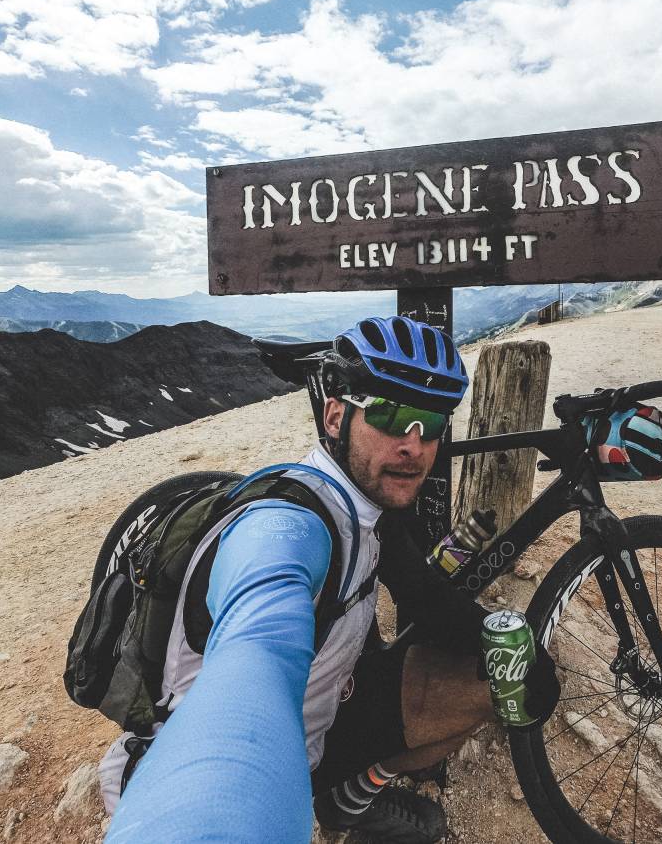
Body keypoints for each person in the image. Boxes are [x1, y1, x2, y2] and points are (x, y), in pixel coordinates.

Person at [103, 316, 560, 843]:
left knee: (495, 674)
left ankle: (350, 801)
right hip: (260, 758)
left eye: (431, 424)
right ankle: (335, 795)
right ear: (337, 417)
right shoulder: (287, 528)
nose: (415, 446)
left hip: (324, 723)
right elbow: (257, 656)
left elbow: (427, 600)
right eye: (390, 416)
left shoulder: (368, 508)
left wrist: (522, 660)